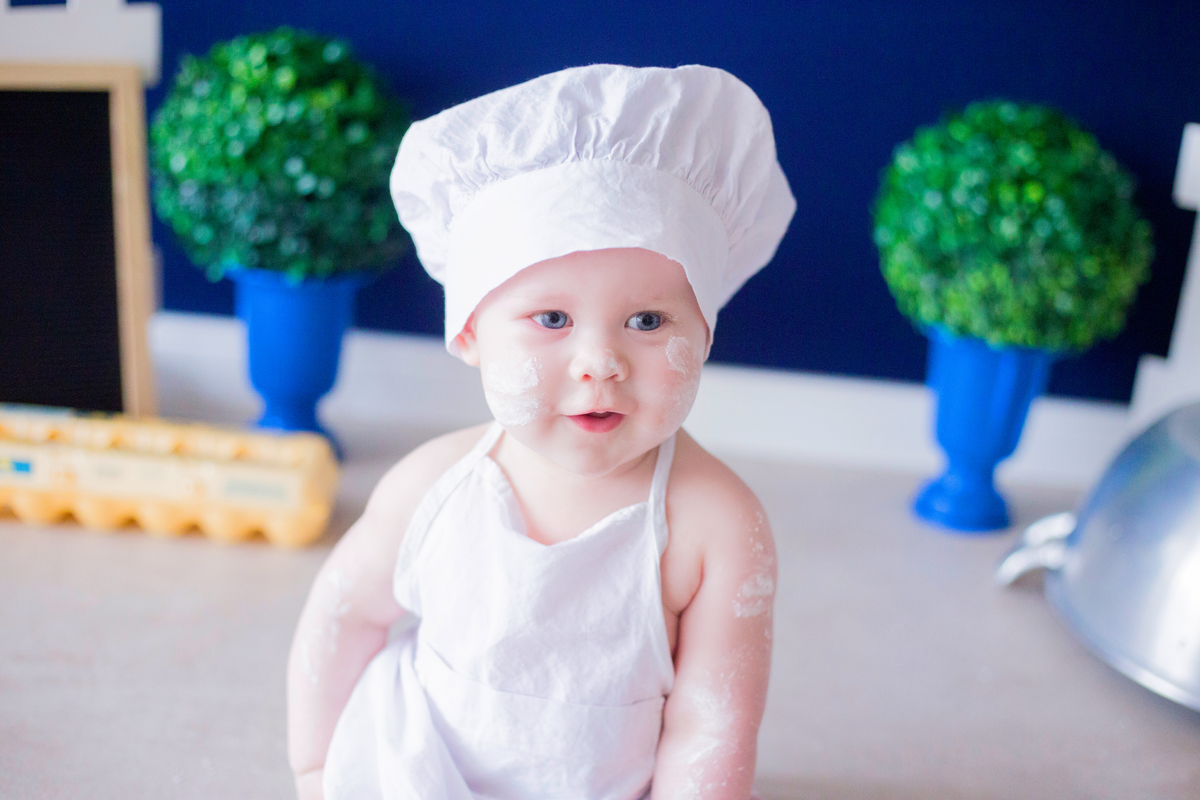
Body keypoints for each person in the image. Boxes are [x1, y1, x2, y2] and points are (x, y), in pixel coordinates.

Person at [287, 63, 795, 800]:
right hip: (418, 768)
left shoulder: (718, 523)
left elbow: (712, 722)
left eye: (648, 321)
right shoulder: (434, 485)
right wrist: (316, 765)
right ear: (468, 331)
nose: (600, 363)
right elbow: (346, 614)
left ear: (706, 332)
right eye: (551, 319)